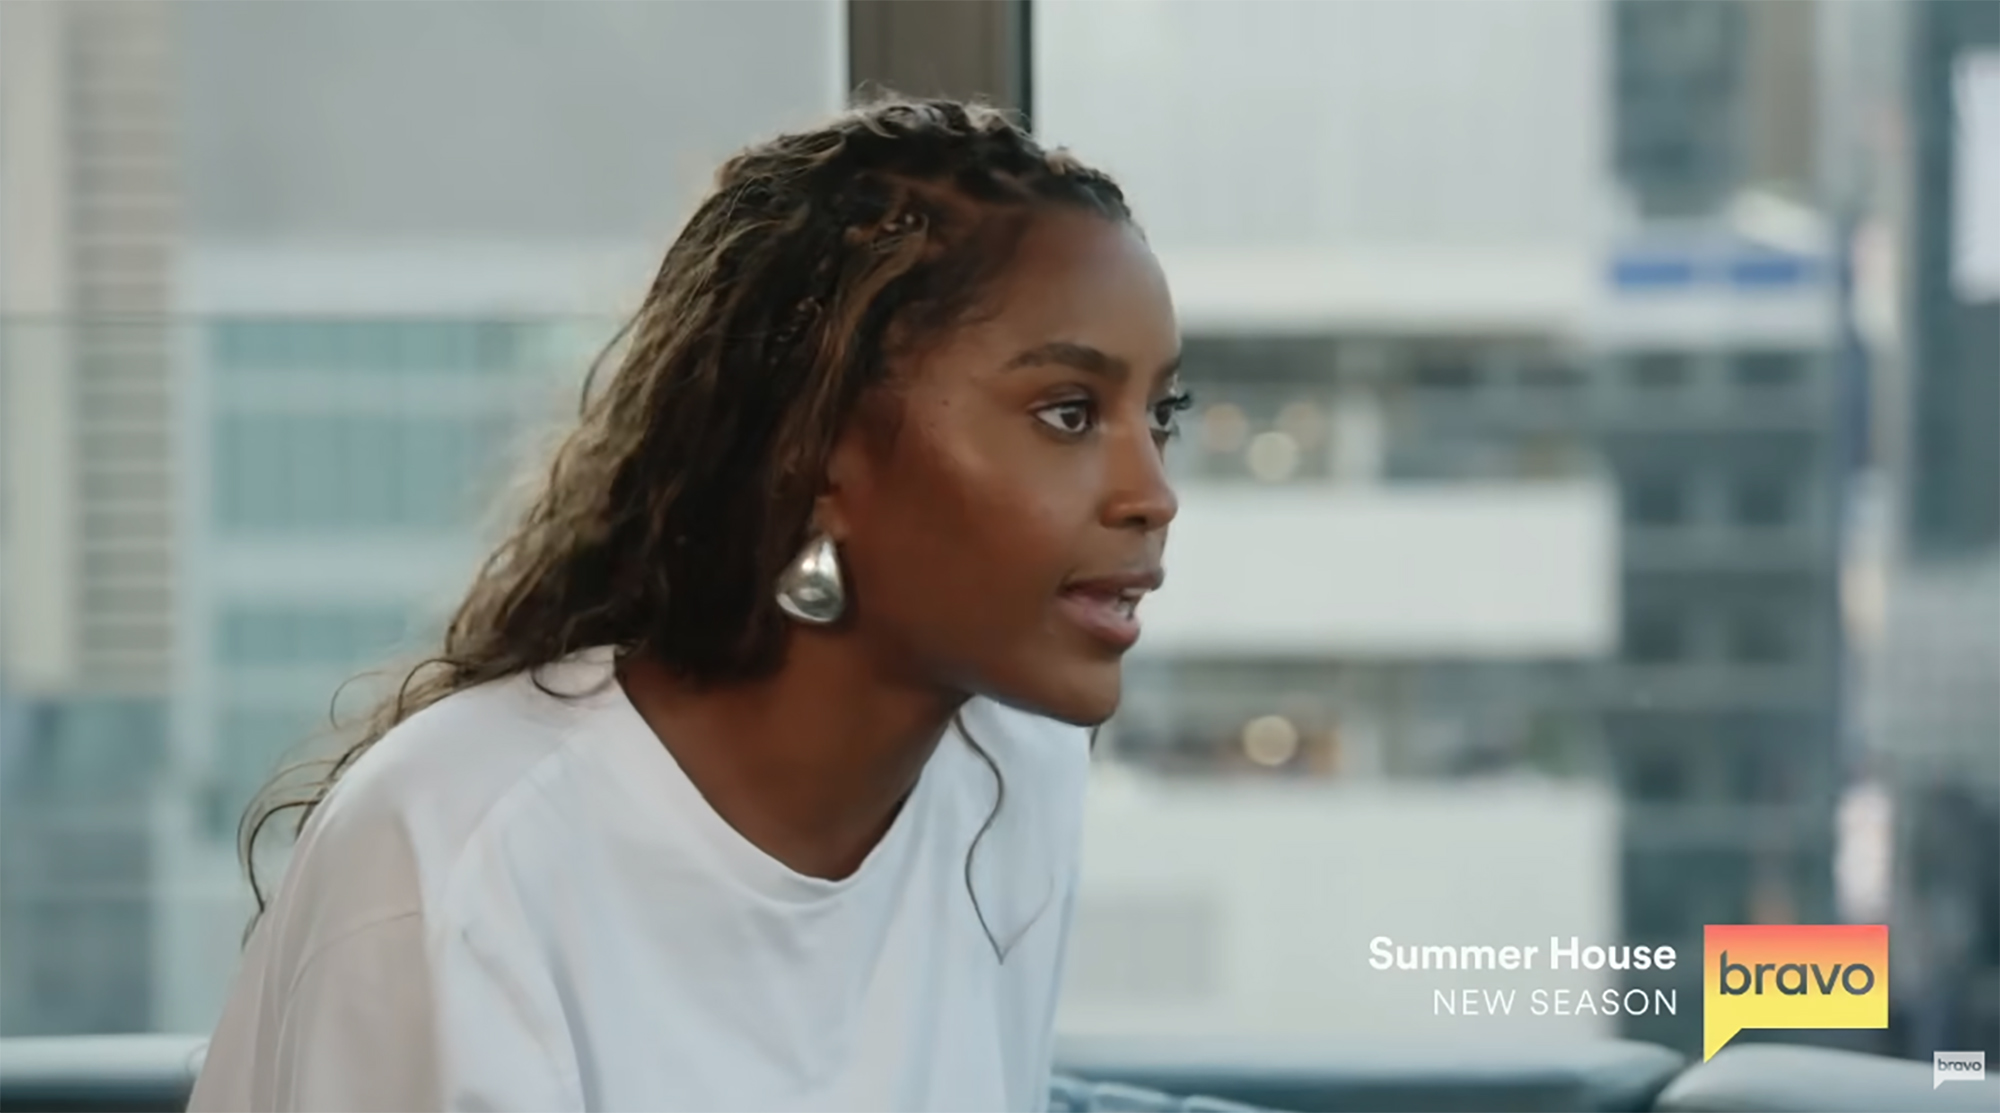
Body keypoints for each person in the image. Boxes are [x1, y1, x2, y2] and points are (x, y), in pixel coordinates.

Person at [188, 97, 1186, 1113]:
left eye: (1162, 416)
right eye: (1069, 413)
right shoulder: (457, 861)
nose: (1152, 494)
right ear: (817, 453)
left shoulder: (1014, 773)